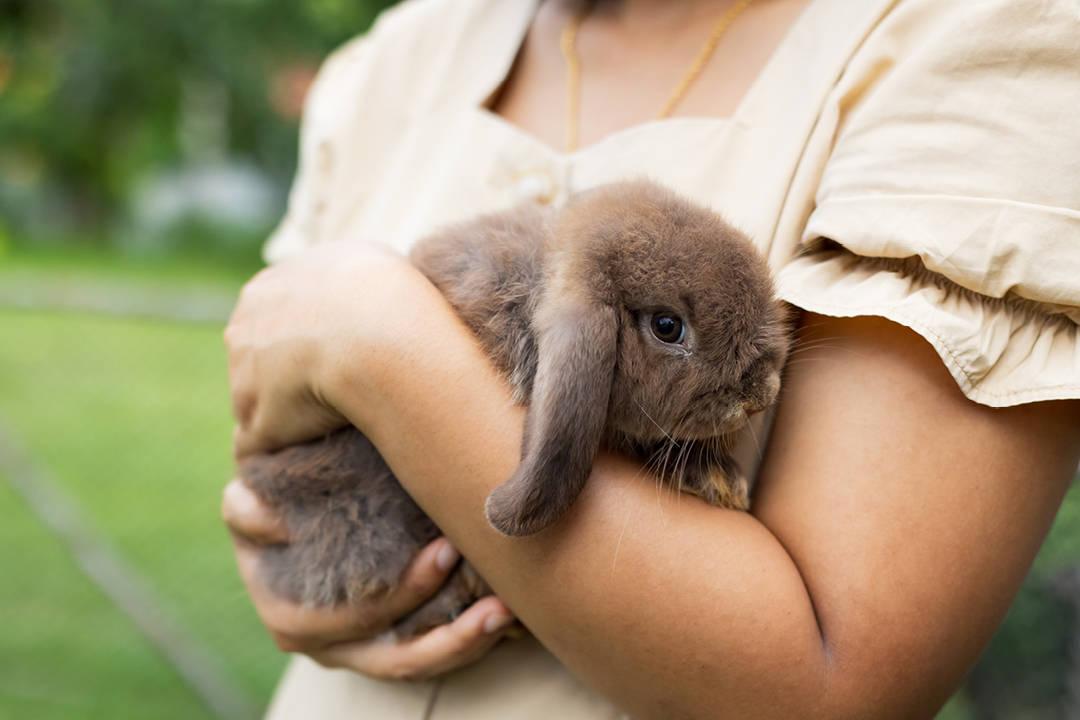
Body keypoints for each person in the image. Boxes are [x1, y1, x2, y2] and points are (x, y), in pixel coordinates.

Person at [221, 0, 1080, 717]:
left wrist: (375, 336)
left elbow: (830, 686)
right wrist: (287, 549)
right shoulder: (400, 56)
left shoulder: (975, 41)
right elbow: (270, 437)